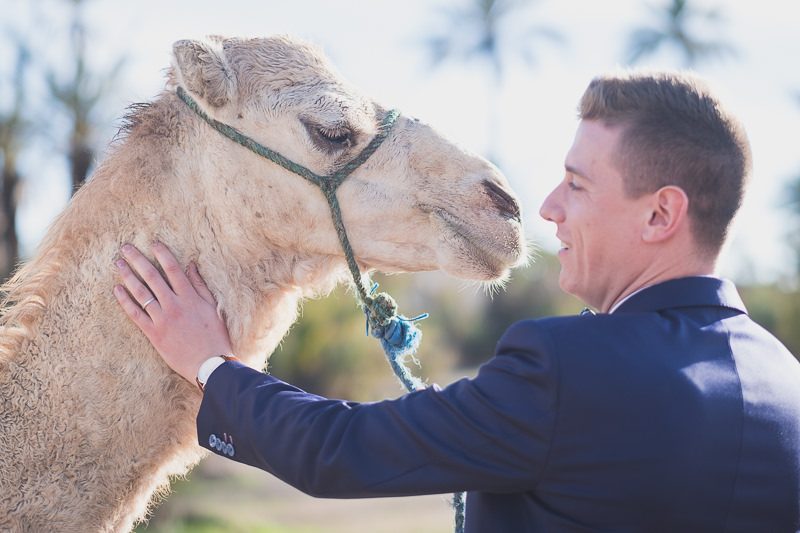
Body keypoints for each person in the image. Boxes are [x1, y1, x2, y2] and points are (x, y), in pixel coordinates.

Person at [113, 70, 800, 532]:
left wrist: (211, 362)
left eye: (578, 186)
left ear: (660, 215)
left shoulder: (566, 370)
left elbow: (340, 448)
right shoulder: (786, 383)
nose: (549, 208)